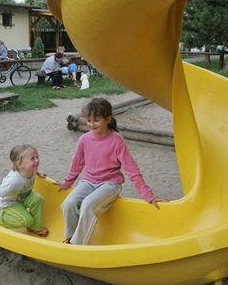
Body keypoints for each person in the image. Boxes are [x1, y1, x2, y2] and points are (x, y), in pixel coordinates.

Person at [55, 98, 167, 245]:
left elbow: (131, 169)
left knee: (88, 204)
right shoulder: (84, 139)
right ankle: (71, 237)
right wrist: (67, 182)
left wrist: (148, 194)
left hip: (110, 184)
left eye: (96, 120)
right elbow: (76, 164)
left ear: (108, 119)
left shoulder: (116, 140)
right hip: (88, 181)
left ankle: (77, 245)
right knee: (68, 203)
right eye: (89, 120)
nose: (91, 124)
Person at [0, 144, 49, 237]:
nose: (37, 160)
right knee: (26, 221)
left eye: (37, 157)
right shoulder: (12, 181)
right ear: (20, 164)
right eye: (32, 158)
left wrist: (38, 172)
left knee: (38, 199)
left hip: (23, 197)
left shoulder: (29, 170)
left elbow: (32, 171)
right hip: (10, 203)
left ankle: (35, 227)